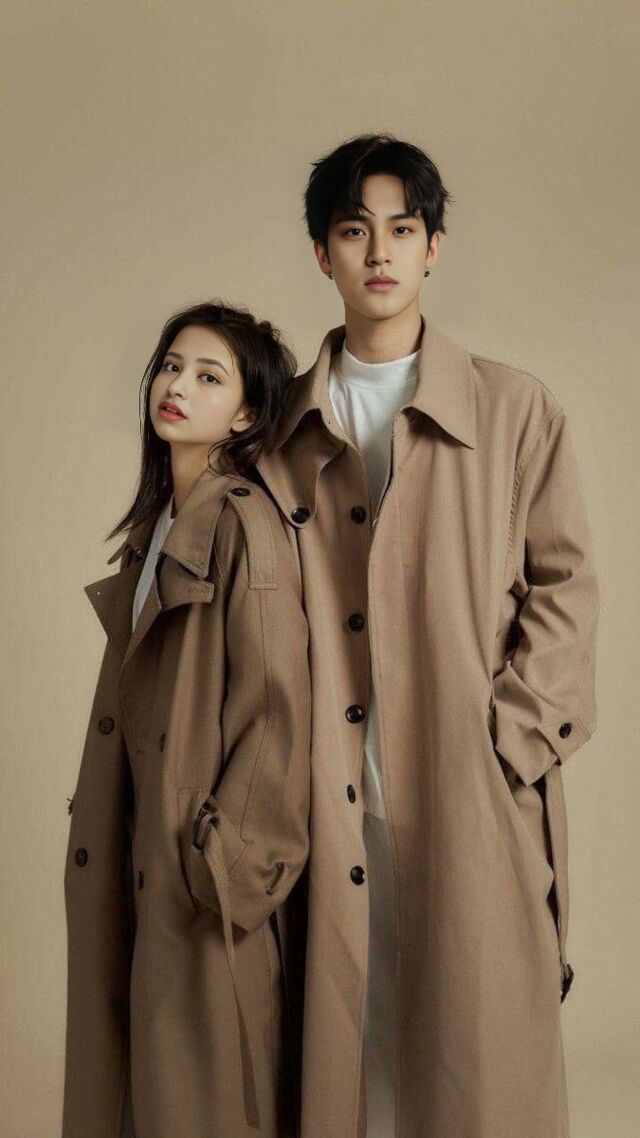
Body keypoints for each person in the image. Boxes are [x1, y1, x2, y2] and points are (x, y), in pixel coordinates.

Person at [254, 133, 600, 1138]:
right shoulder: (275, 434)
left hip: (464, 781)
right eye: (353, 230)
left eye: (402, 229)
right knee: (342, 1047)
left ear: (433, 246)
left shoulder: (514, 409)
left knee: (472, 1053)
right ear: (321, 252)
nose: (379, 252)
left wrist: (509, 745)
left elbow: (566, 588)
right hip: (319, 787)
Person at [62, 301, 312, 1138]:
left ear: (245, 414)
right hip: (139, 851)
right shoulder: (159, 523)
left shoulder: (243, 522)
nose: (177, 386)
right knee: (137, 1090)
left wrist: (225, 860)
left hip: (199, 881)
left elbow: (275, 710)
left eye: (209, 376)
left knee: (200, 1103)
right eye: (171, 366)